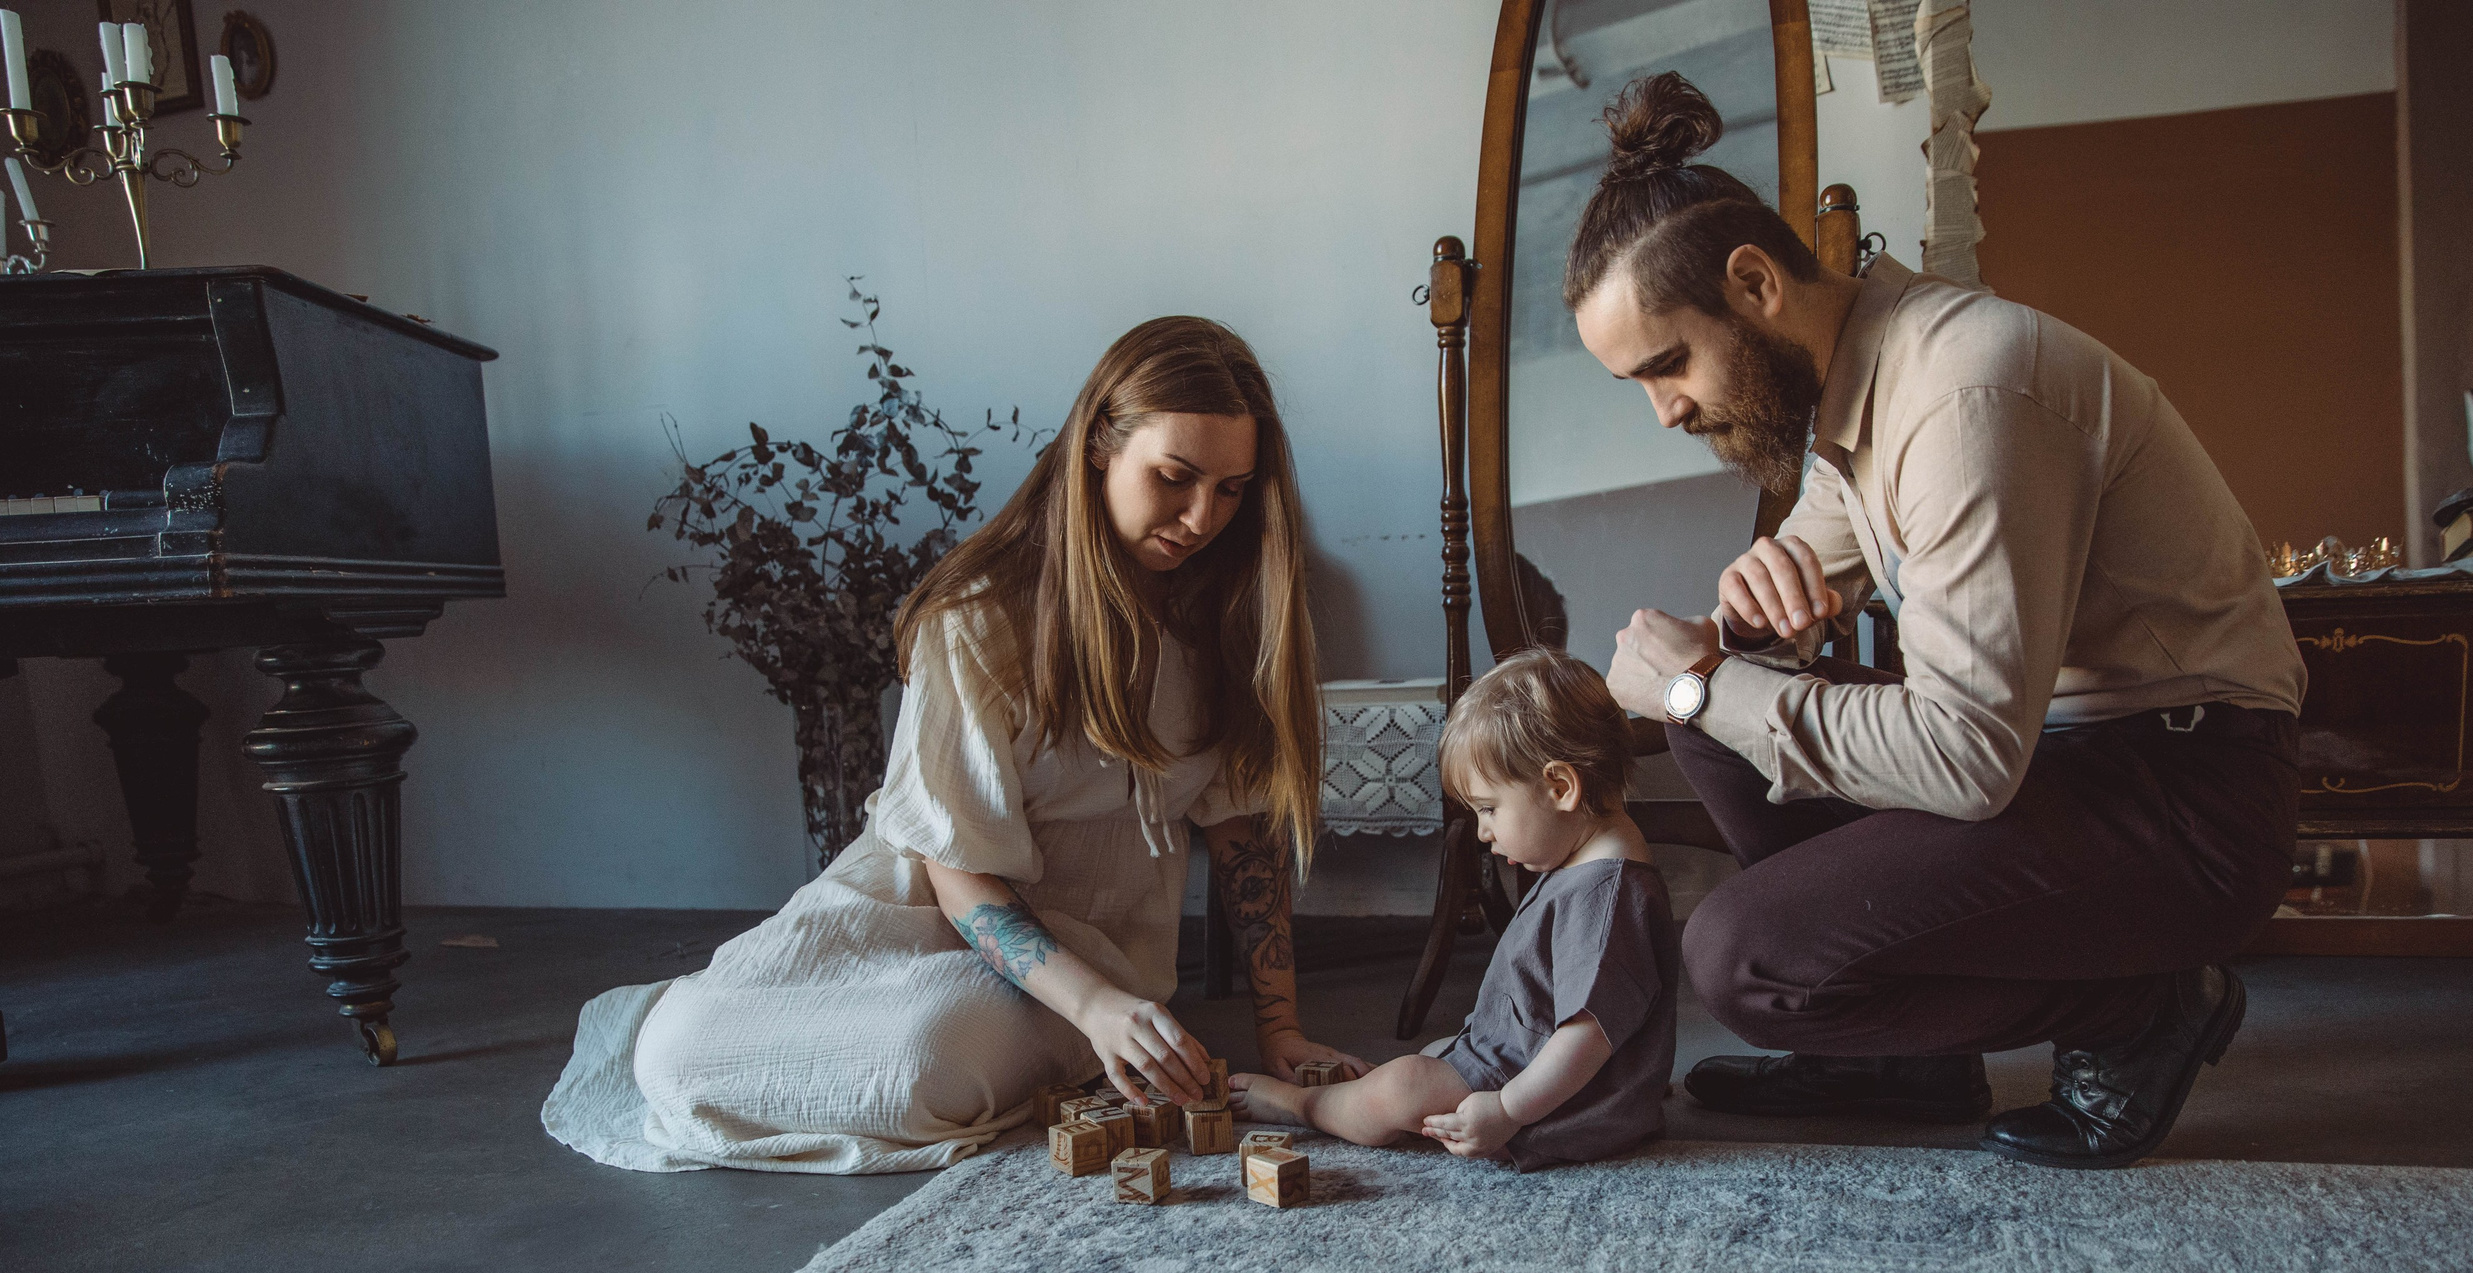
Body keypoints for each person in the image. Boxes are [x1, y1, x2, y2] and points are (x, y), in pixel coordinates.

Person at [1573, 75, 2306, 1170]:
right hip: (2074, 766)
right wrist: (1739, 624)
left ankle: (2141, 1009)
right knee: (1713, 705)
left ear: (1754, 283)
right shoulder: (1857, 398)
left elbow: (1967, 761)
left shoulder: (1965, 395)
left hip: (2183, 797)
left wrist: (1696, 683)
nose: (1665, 410)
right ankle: (1897, 1058)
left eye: (1668, 365)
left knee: (1742, 957)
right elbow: (1785, 592)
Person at [542, 317, 1369, 1175]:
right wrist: (1093, 1008)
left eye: (1233, 490)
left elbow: (1241, 836)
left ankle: (972, 1037)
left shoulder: (1228, 623)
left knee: (916, 1070)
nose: (1203, 518)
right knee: (672, 1052)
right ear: (1097, 447)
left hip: (1086, 961)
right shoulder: (978, 618)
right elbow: (956, 869)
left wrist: (1280, 1028)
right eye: (1175, 477)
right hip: (920, 902)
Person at [1234, 648, 1680, 1172]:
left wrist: (1508, 1110)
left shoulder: (1604, 896)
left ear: (1560, 787)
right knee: (1432, 1058)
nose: (1484, 832)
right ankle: (1368, 1095)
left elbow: (1586, 1036)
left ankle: (1303, 1105)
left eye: (1489, 809)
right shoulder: (1585, 862)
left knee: (1402, 1089)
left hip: (1564, 1104)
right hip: (1521, 1058)